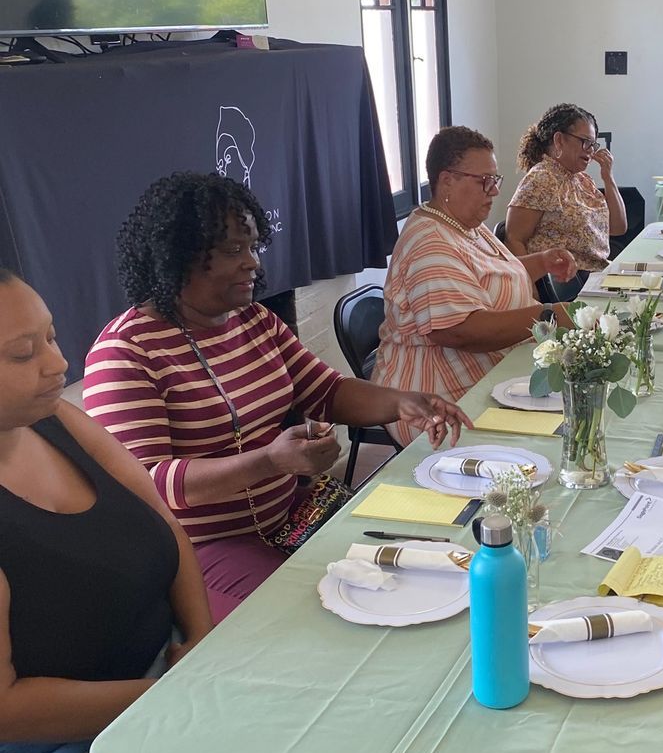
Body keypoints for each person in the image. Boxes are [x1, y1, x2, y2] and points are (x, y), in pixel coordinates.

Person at [84, 172, 471, 622]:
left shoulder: (254, 321)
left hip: (293, 510)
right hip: (203, 550)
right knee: (313, 621)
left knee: (422, 566)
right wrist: (269, 462)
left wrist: (401, 401)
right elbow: (149, 483)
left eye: (253, 247)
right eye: (233, 250)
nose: (252, 263)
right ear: (178, 254)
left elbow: (326, 391)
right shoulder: (126, 353)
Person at [0, 268, 214, 753]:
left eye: (51, 335)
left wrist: (199, 640)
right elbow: (8, 710)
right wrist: (172, 696)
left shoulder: (55, 418)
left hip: (147, 692)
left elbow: (165, 526)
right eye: (24, 352)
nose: (58, 362)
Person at [373, 126, 578, 445]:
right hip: (439, 398)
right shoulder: (430, 244)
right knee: (553, 436)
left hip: (490, 370)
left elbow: (486, 277)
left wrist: (540, 262)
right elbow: (457, 330)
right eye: (484, 181)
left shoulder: (465, 225)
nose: (494, 191)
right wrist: (546, 316)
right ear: (446, 182)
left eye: (495, 180)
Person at [505, 105, 627, 300]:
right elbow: (514, 239)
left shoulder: (581, 179)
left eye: (593, 144)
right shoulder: (542, 178)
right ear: (559, 140)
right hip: (568, 289)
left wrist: (608, 177)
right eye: (585, 142)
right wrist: (531, 295)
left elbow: (619, 228)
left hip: (596, 278)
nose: (590, 151)